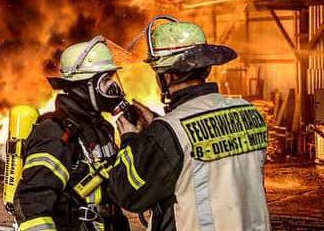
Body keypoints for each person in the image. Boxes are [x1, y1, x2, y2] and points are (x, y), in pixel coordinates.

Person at [107, 16, 270, 230]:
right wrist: (157, 125)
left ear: (168, 76)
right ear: (206, 67)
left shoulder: (169, 132)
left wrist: (131, 138)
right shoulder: (250, 112)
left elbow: (127, 193)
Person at [15, 36, 131, 231]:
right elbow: (32, 202)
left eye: (112, 78)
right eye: (106, 80)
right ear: (84, 87)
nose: (113, 87)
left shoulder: (102, 129)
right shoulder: (55, 132)